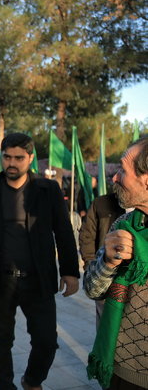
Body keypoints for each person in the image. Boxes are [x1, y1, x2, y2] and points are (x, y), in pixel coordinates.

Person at [0, 132, 79, 390]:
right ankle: (5, 386)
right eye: (7, 157)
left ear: (30, 158)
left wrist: (70, 271)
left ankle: (32, 381)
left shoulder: (48, 190)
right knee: (1, 340)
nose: (12, 162)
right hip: (0, 280)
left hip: (38, 279)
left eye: (19, 158)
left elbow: (63, 230)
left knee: (46, 340)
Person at [84, 138, 148, 389]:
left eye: (123, 169)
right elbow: (91, 287)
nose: (114, 178)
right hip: (123, 373)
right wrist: (108, 263)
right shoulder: (124, 225)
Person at [78, 192, 125, 327]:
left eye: (123, 172)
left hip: (133, 286)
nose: (116, 177)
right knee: (105, 332)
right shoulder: (102, 203)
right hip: (104, 279)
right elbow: (87, 236)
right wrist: (91, 268)